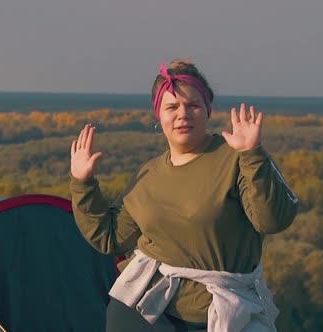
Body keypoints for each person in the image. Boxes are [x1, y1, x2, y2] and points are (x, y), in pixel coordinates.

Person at [69, 59, 299, 332]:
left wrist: (254, 155)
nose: (182, 114)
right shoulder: (149, 174)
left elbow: (272, 220)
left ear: (207, 111)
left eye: (192, 105)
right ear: (159, 116)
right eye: (172, 107)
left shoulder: (235, 158)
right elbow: (110, 238)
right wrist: (83, 183)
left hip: (223, 313)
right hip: (146, 308)